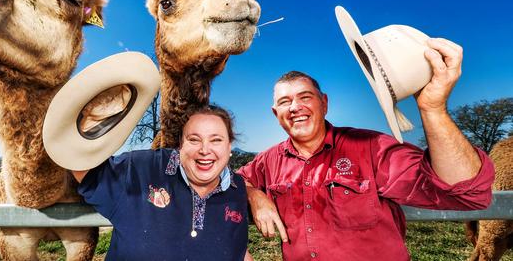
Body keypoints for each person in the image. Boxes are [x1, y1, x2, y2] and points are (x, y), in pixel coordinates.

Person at [237, 37, 495, 260]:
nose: (295, 107)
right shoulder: (268, 161)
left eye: (305, 97)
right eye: (285, 101)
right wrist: (253, 195)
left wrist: (433, 109)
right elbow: (231, 181)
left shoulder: (372, 148)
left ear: (324, 103)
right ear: (276, 113)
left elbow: (468, 192)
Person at [72, 105, 250, 260]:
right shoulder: (139, 169)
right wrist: (89, 119)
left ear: (229, 147)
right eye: (194, 139)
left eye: (216, 140)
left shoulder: (237, 189)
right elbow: (85, 170)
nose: (204, 150)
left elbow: (237, 250)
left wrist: (255, 194)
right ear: (180, 143)